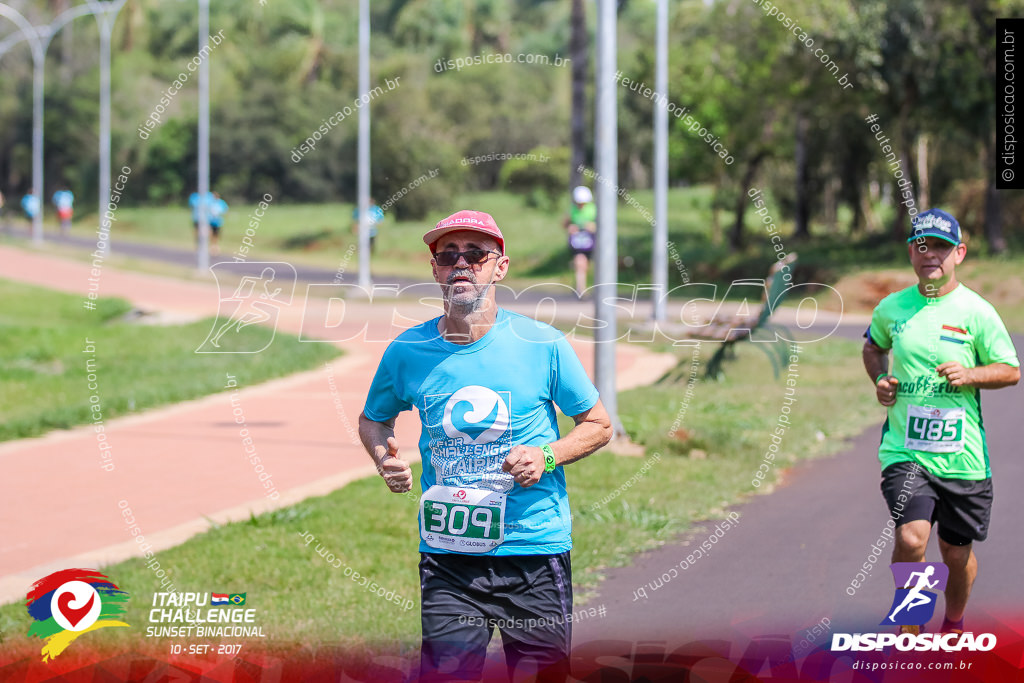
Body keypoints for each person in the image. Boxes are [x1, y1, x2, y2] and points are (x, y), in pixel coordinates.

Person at [358, 209, 613, 682]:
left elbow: (598, 424)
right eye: (447, 254)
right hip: (449, 557)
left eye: (475, 254)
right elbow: (374, 420)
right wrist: (383, 457)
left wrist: (547, 454)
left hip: (533, 549)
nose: (461, 264)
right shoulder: (407, 352)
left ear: (500, 267)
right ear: (434, 268)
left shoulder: (543, 344)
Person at [862, 208, 1019, 636]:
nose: (931, 254)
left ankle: (952, 623)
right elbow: (873, 348)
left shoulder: (977, 312)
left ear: (959, 253)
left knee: (954, 553)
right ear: (912, 251)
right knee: (912, 539)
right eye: (922, 245)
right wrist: (879, 377)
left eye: (942, 247)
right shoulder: (892, 307)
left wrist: (972, 374)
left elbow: (1010, 370)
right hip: (906, 450)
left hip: (962, 458)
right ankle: (909, 627)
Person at [563, 186, 596, 294]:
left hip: (591, 242)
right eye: (579, 202)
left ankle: (585, 285)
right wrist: (570, 228)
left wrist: (593, 226)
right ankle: (580, 289)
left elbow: (604, 226)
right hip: (578, 244)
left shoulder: (593, 209)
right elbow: (564, 224)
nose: (581, 205)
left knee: (587, 265)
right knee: (580, 262)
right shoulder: (572, 210)